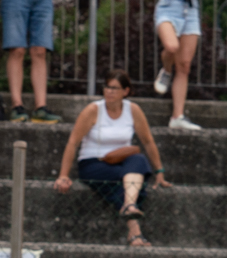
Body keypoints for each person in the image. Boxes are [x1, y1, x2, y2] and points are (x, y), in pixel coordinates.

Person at [54, 69, 169, 248]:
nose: (109, 91)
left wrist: (159, 172)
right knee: (132, 184)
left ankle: (129, 207)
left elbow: (148, 141)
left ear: (126, 91)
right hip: (94, 163)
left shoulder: (133, 110)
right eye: (107, 87)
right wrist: (63, 175)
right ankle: (135, 230)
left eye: (115, 88)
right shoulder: (93, 110)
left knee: (139, 160)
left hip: (122, 163)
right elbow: (73, 142)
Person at [148, 0, 218, 131]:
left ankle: (177, 116)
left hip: (191, 10)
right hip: (168, 7)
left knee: (185, 65)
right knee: (171, 47)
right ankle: (166, 70)